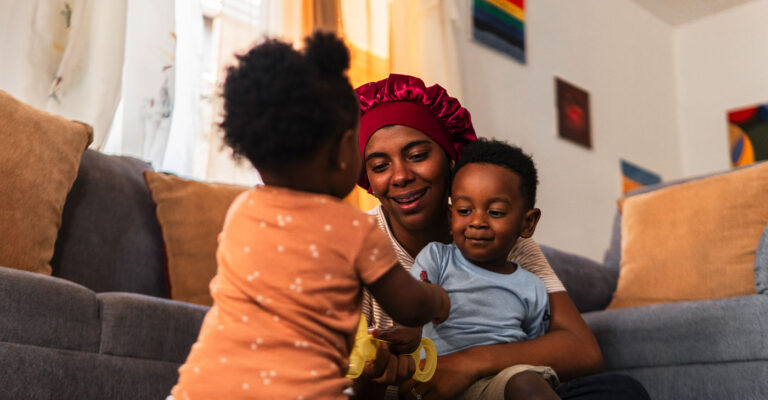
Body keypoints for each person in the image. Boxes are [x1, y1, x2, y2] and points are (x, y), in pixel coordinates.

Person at [170, 34, 450, 400]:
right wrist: (438, 300)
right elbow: (409, 306)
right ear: (343, 150)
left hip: (200, 387)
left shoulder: (241, 211)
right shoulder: (352, 228)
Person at [353, 74, 650, 400]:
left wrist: (467, 363)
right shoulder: (353, 247)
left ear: (451, 158)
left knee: (620, 391)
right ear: (367, 179)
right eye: (379, 166)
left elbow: (583, 349)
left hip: (501, 387)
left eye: (417, 156)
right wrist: (375, 372)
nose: (400, 176)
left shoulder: (493, 232)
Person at [408, 138, 560, 400]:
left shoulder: (532, 286)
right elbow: (411, 305)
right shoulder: (437, 258)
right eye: (464, 210)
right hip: (438, 379)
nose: (477, 222)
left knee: (527, 383)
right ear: (450, 216)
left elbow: (533, 348)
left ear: (527, 223)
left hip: (501, 381)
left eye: (496, 212)